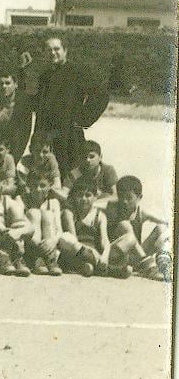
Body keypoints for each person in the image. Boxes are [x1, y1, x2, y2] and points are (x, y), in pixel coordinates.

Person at [28, 36, 108, 179]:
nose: (53, 53)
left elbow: (100, 94)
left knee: (70, 174)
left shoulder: (77, 71)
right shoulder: (45, 76)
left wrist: (83, 119)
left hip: (69, 133)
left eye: (56, 49)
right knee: (45, 174)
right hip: (47, 134)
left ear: (65, 51)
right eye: (49, 50)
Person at [105, 176, 171, 280]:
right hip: (116, 256)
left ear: (140, 197)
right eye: (121, 197)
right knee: (125, 227)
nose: (124, 201)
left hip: (136, 258)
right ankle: (149, 267)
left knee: (161, 228)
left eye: (128, 198)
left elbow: (167, 222)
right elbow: (93, 203)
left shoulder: (141, 212)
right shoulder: (112, 208)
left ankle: (163, 261)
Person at [56, 176, 110, 277]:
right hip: (75, 252)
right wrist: (91, 251)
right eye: (80, 195)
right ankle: (110, 269)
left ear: (95, 197)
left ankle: (89, 266)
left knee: (120, 245)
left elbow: (105, 240)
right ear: (74, 196)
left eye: (88, 195)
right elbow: (74, 240)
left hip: (93, 254)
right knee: (66, 238)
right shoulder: (69, 213)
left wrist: (105, 256)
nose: (83, 199)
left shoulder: (100, 215)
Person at [67, 140, 118, 206]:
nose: (87, 160)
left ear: (100, 157)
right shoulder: (75, 174)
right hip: (81, 206)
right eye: (84, 157)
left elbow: (116, 196)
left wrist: (94, 202)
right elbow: (64, 193)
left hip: (102, 206)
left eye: (91, 157)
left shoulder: (108, 170)